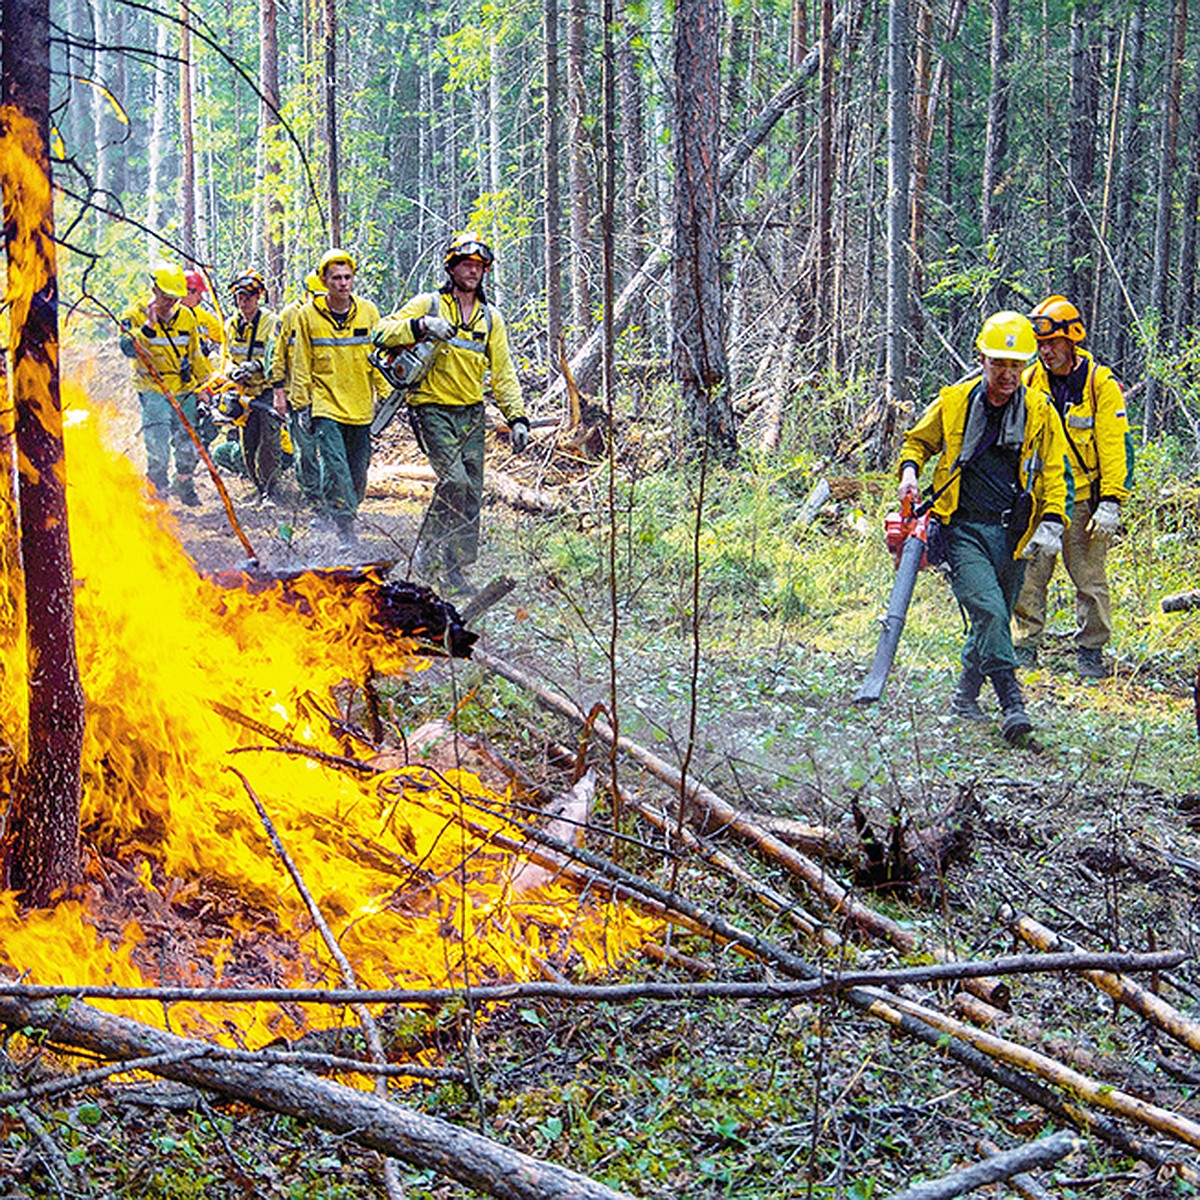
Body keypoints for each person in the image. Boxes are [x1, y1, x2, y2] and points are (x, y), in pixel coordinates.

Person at [897, 311, 1070, 745]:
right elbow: (917, 441)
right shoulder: (955, 401)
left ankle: (964, 697)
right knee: (990, 611)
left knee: (991, 617)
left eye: (1016, 366)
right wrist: (910, 471)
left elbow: (1053, 471)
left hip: (1014, 535)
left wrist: (1052, 519)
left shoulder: (1039, 411)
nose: (1008, 374)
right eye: (999, 364)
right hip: (963, 529)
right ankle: (1012, 704)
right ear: (983, 360)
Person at [373, 231, 530, 593]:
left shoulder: (491, 319)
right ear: (452, 268)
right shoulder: (429, 304)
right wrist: (421, 326)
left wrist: (517, 417)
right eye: (466, 265)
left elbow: (503, 372)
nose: (472, 271)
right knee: (454, 481)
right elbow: (380, 332)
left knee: (471, 491)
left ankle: (455, 569)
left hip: (471, 413)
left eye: (478, 266)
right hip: (431, 407)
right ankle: (427, 553)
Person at [1012, 296, 1134, 678]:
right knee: (1030, 574)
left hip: (1084, 501)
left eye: (1052, 343)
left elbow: (1116, 446)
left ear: (1071, 339)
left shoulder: (1100, 384)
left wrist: (1111, 501)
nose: (1045, 351)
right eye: (1041, 345)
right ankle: (1025, 646)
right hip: (1042, 498)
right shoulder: (1030, 379)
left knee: (1089, 578)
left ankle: (1090, 653)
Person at [290, 250, 384, 544]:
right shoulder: (307, 316)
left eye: (347, 277)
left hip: (360, 405)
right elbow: (301, 362)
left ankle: (344, 513)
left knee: (357, 471)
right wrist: (301, 404)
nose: (343, 283)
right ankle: (345, 529)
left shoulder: (368, 312)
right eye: (336, 278)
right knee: (334, 466)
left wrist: (387, 394)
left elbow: (379, 358)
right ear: (324, 281)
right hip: (325, 404)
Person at [119, 262, 214, 505]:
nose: (171, 302)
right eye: (166, 297)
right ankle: (157, 491)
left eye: (175, 298)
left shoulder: (187, 317)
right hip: (152, 388)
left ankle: (184, 484)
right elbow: (128, 349)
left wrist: (204, 387)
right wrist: (149, 326)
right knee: (158, 447)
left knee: (188, 445)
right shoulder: (134, 315)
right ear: (155, 290)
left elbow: (195, 356)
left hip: (183, 388)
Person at [271, 271, 328, 509]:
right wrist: (279, 391)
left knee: (329, 450)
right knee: (305, 450)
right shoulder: (289, 316)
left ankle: (331, 497)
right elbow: (277, 355)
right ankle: (313, 497)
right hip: (298, 395)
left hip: (327, 395)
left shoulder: (331, 315)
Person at [222, 270, 280, 505]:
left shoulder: (271, 323)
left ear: (258, 297)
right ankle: (257, 488)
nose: (243, 301)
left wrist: (256, 366)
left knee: (269, 442)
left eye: (248, 296)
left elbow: (277, 356)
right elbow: (226, 357)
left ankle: (271, 492)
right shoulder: (230, 325)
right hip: (244, 393)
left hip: (266, 391)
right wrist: (232, 372)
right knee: (248, 444)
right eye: (239, 296)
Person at [182, 270, 225, 360]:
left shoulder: (200, 314)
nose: (200, 298)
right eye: (199, 294)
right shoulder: (170, 315)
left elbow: (223, 335)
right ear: (187, 292)